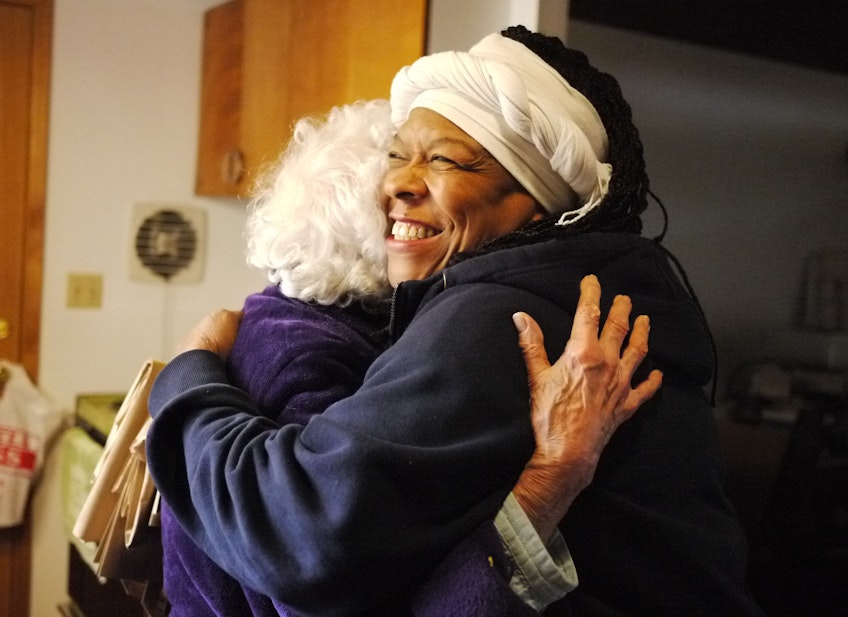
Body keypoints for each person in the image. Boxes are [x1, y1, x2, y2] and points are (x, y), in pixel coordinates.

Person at [148, 26, 763, 616]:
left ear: (536, 201)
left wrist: (188, 378)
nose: (400, 184)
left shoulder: (501, 316)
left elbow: (303, 533)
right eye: (397, 156)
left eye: (445, 160)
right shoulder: (576, 286)